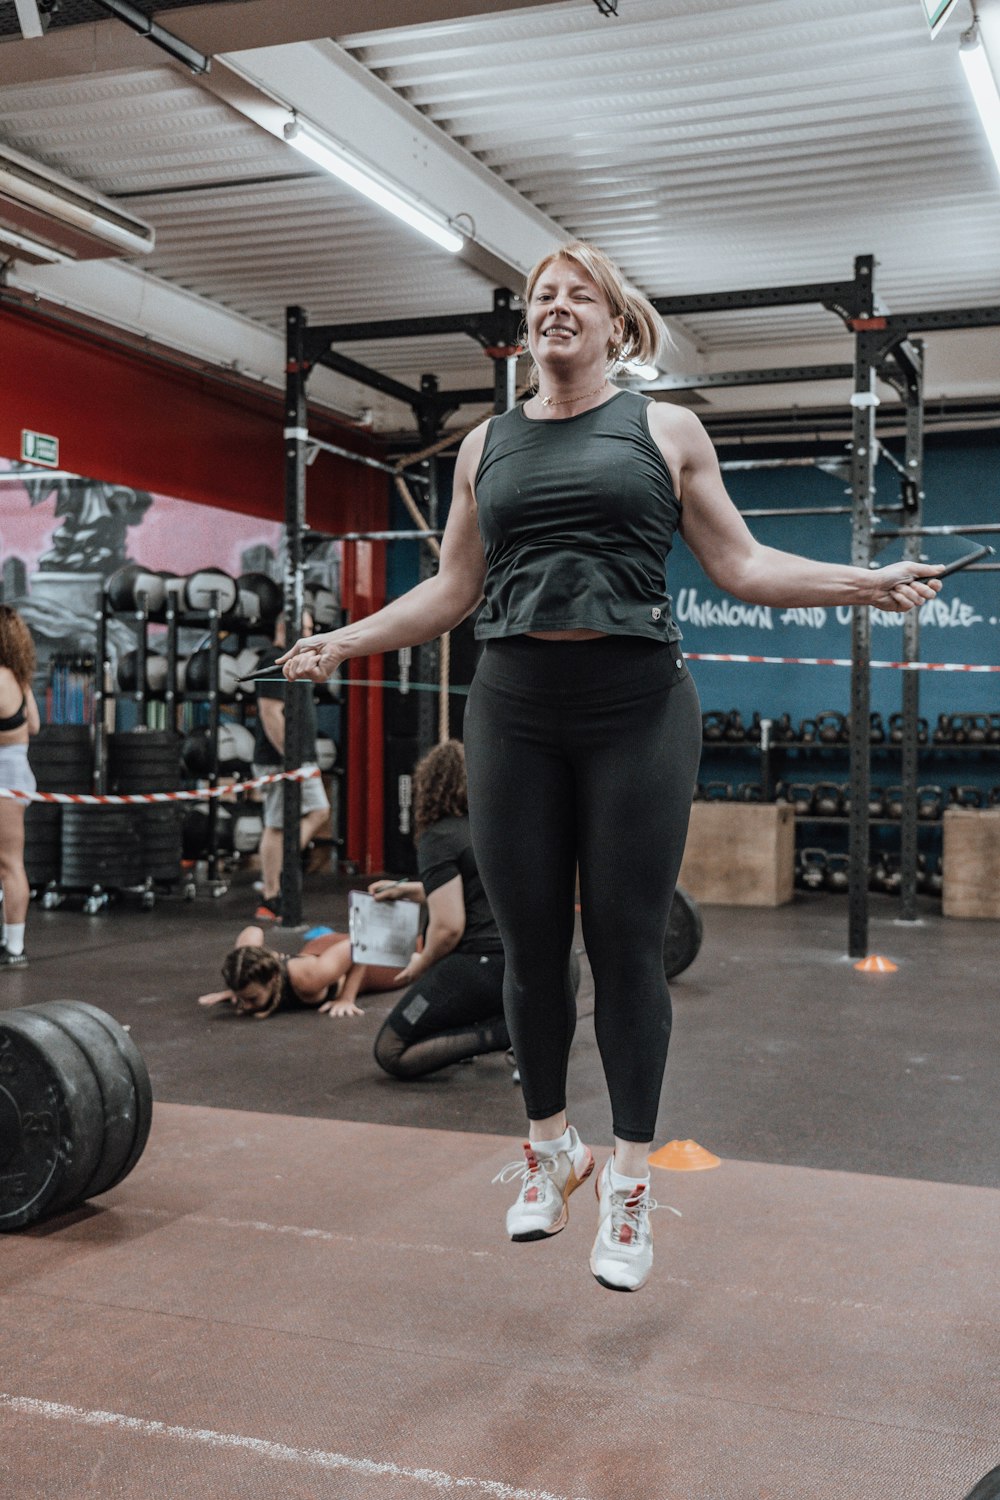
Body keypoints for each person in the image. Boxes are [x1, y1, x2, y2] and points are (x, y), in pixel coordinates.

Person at [278, 241, 944, 1293]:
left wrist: (861, 583)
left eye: (576, 296)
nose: (554, 308)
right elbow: (453, 589)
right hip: (513, 710)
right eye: (542, 296)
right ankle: (552, 1150)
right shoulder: (485, 446)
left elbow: (741, 563)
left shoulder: (663, 429)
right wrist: (344, 640)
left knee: (626, 949)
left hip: (637, 706)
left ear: (614, 324)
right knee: (533, 951)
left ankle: (630, 1178)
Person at [368, 739, 508, 1080]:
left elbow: (448, 928)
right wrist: (406, 890)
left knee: (391, 1051)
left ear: (427, 786)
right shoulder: (495, 827)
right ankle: (516, 1023)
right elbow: (475, 892)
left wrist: (422, 962)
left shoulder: (440, 837)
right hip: (540, 967)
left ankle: (505, 1033)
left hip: (486, 969)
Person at [251, 607, 330, 921]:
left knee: (315, 812)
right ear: (286, 627)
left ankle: (279, 876)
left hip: (298, 760)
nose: (310, 634)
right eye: (306, 628)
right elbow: (271, 715)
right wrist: (290, 760)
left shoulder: (295, 662)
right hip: (281, 761)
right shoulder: (274, 659)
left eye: (312, 628)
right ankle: (270, 897)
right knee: (278, 824)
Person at [197, 926, 402, 1019]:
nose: (246, 1005)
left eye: (252, 998)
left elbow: (360, 945)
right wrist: (237, 990)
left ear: (272, 979)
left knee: (417, 962)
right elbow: (253, 931)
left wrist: (347, 998)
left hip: (362, 966)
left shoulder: (308, 979)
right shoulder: (252, 969)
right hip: (320, 949)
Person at [0, 605, 41, 969]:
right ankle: (9, 942)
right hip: (17, 773)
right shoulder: (19, 678)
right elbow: (34, 727)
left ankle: (14, 947)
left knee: (9, 864)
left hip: (4, 782)